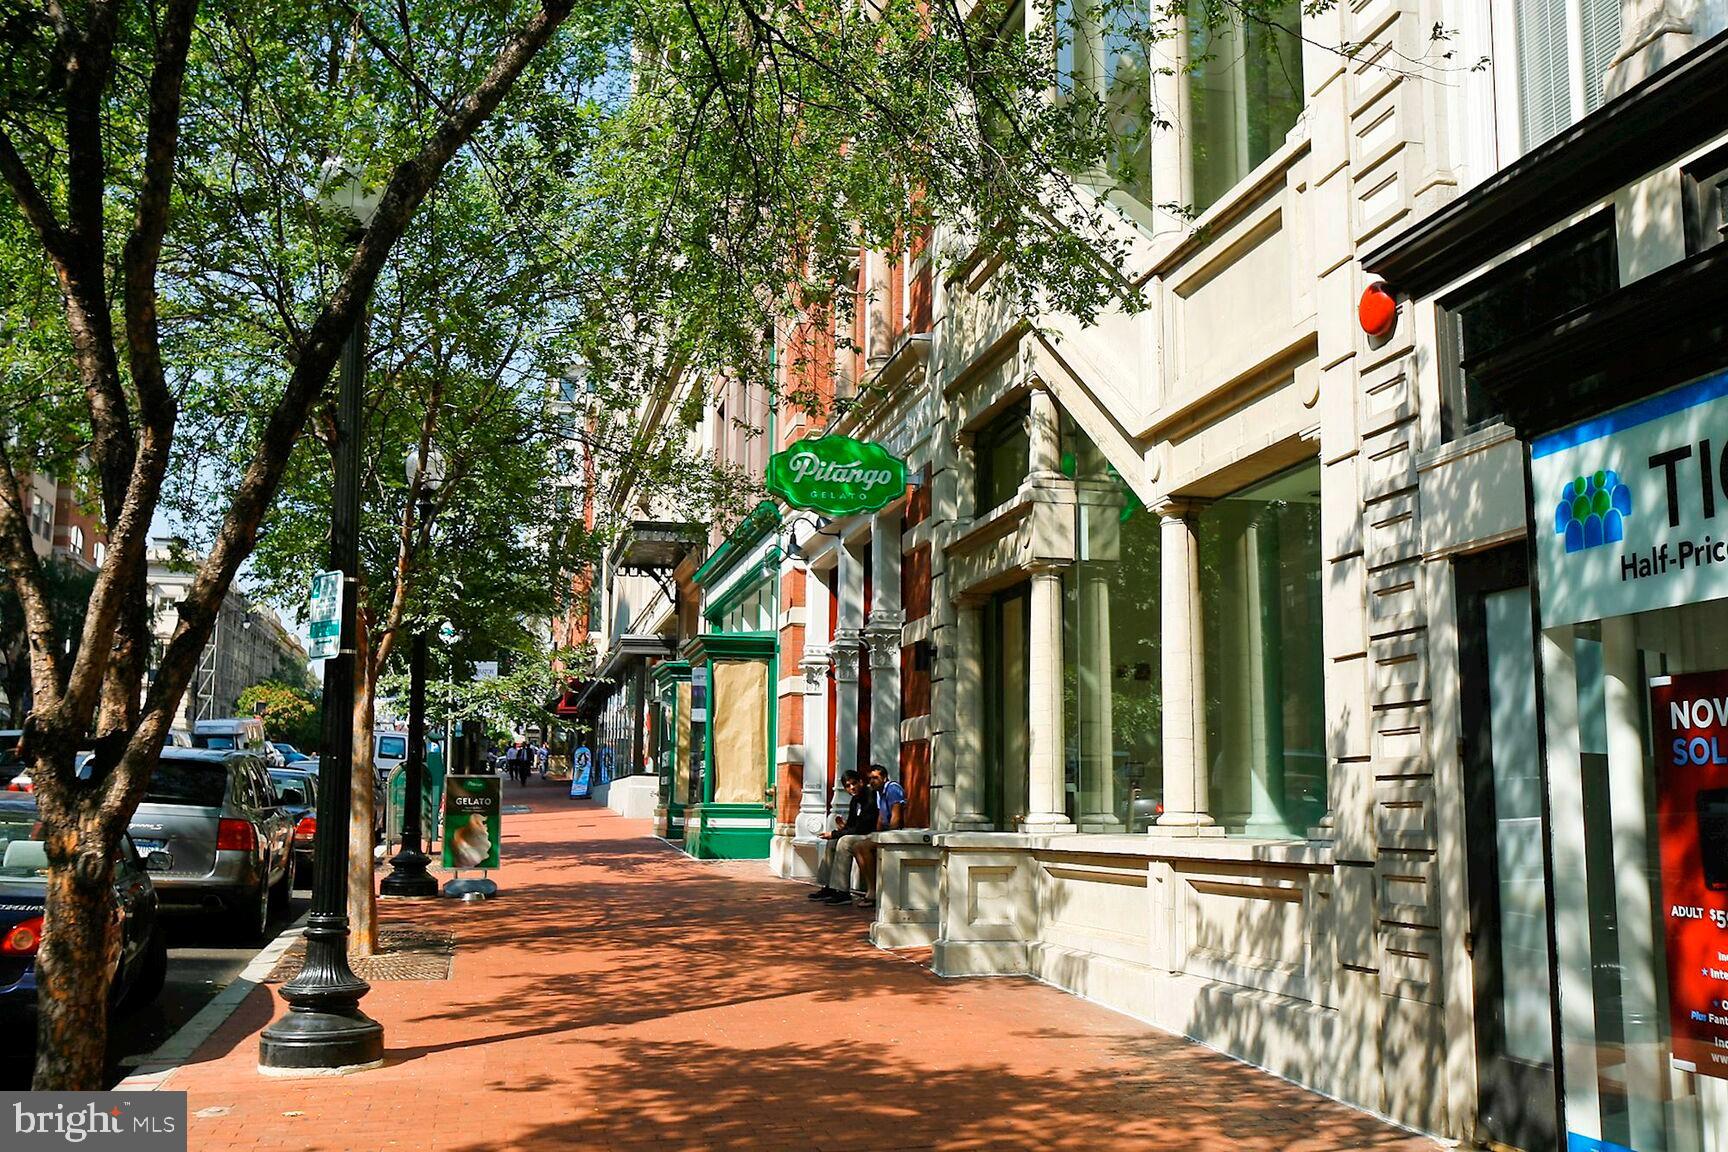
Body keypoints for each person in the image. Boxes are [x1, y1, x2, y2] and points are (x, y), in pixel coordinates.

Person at [807, 769, 876, 905]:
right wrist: (842, 827)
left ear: (861, 782)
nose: (852, 788)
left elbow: (862, 828)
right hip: (860, 833)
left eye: (854, 783)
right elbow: (852, 825)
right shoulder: (855, 801)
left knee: (844, 842)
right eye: (848, 786)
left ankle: (842, 891)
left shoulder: (870, 798)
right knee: (832, 842)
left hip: (871, 834)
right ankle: (829, 887)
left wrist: (835, 834)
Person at [851, 763, 907, 908]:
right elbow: (881, 818)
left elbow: (896, 818)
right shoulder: (878, 792)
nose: (872, 782)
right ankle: (872, 887)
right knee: (857, 847)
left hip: (898, 834)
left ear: (884, 777)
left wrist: (883, 837)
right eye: (870, 779)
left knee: (863, 847)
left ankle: (874, 891)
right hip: (884, 833)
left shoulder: (892, 789)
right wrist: (876, 834)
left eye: (875, 778)